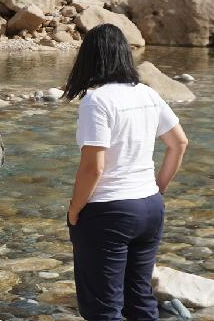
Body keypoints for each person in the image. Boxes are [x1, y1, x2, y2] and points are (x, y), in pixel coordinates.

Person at [63, 24, 188, 320]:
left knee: (103, 308)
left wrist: (75, 209)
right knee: (140, 299)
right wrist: (158, 189)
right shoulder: (147, 93)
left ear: (90, 58)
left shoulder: (97, 100)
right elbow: (179, 143)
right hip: (149, 209)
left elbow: (94, 167)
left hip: (109, 212)